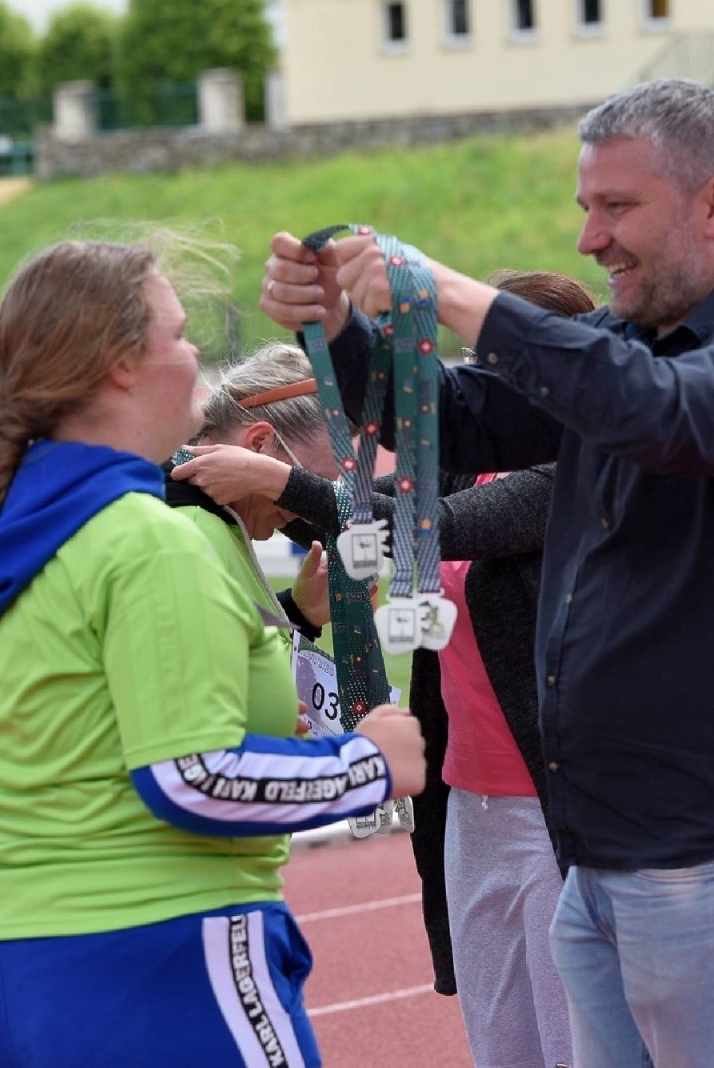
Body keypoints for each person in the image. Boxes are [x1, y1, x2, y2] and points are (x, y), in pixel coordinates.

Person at [260, 77, 714, 1068]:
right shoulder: (626, 346)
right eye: (585, 209)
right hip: (609, 853)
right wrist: (334, 326)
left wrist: (447, 291)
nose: (589, 240)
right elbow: (447, 416)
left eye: (616, 207)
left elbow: (660, 413)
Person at [0, 235, 427, 1068]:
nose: (195, 364)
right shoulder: (147, 539)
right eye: (181, 338)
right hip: (163, 954)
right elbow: (190, 776)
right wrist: (370, 763)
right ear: (118, 365)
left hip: (8, 961)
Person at [175, 269, 595, 1068]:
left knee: (579, 1041)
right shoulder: (470, 460)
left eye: (512, 366)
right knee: (504, 1043)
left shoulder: (574, 469)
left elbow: (430, 524)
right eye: (485, 360)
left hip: (558, 805)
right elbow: (371, 501)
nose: (488, 386)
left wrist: (286, 482)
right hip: (470, 807)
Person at [166, 340, 340, 654]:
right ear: (259, 444)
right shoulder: (189, 533)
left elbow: (235, 647)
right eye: (303, 481)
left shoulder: (215, 522)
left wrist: (299, 612)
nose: (306, 511)